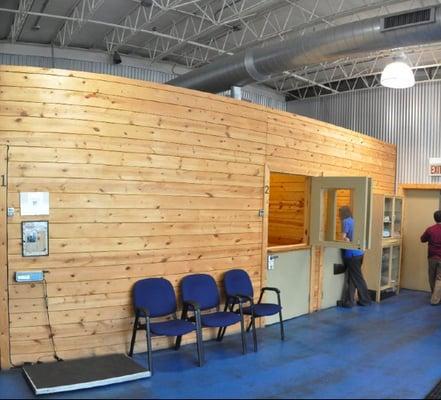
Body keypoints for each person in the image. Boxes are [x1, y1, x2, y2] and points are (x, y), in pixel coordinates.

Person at [338, 206, 372, 308]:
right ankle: (349, 302)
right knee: (352, 278)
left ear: (343, 214)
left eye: (339, 213)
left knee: (357, 278)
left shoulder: (345, 222)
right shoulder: (354, 221)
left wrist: (344, 239)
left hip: (351, 254)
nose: (338, 215)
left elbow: (344, 238)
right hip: (360, 253)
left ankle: (365, 300)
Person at [420, 210, 441, 305]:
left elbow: (422, 239)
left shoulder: (430, 229)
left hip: (432, 257)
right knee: (439, 278)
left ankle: (434, 296)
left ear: (435, 218)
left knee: (432, 277)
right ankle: (435, 298)